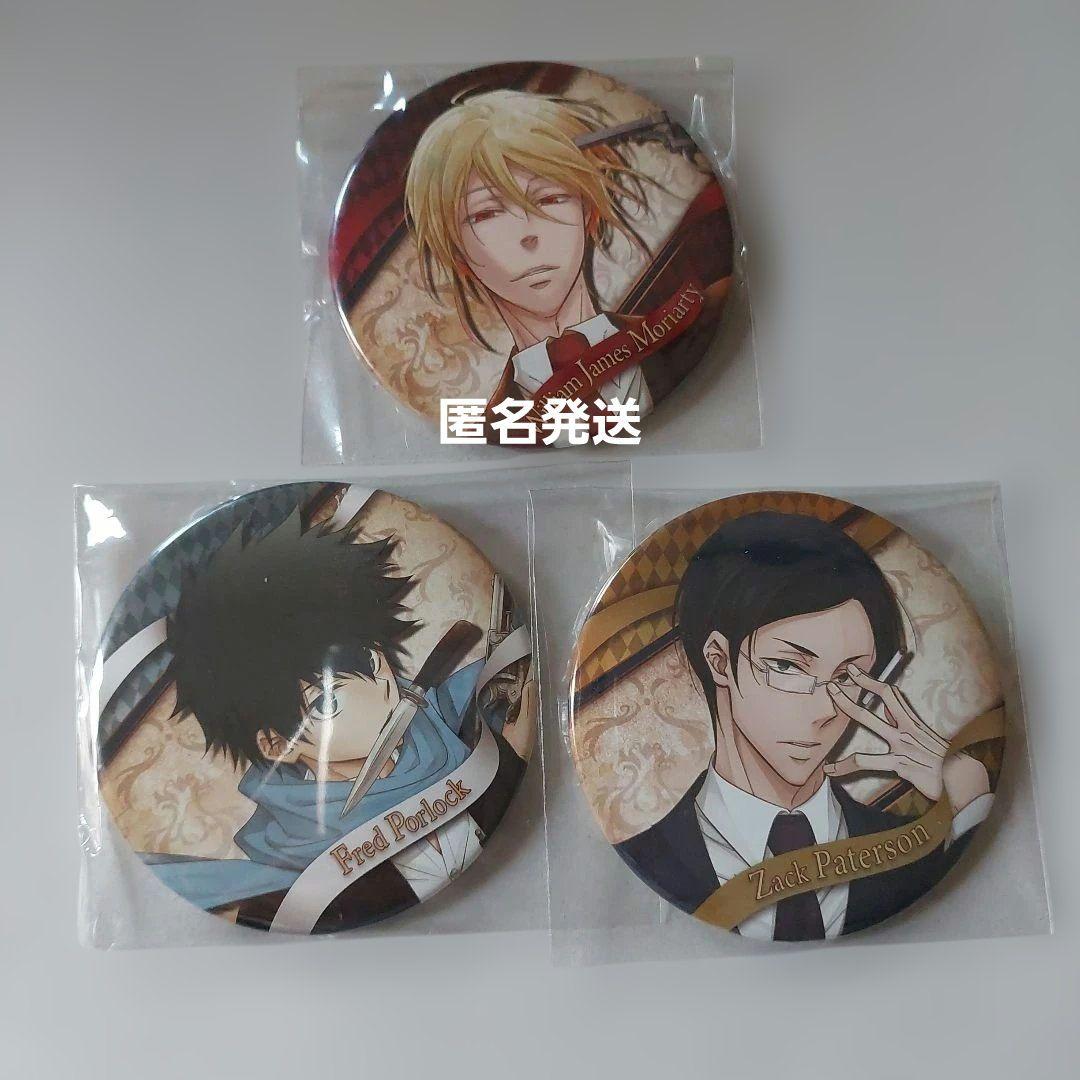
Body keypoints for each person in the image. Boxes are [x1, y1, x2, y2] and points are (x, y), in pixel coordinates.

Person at [143, 510, 529, 932]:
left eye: (368, 658)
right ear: (277, 744)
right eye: (326, 701)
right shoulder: (289, 851)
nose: (378, 681)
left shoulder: (459, 712)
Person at [616, 511, 993, 940]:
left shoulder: (914, 849)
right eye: (787, 666)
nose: (824, 709)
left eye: (849, 676)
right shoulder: (650, 858)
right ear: (720, 660)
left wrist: (969, 791)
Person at [404, 88, 655, 429]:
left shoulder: (680, 334)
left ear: (588, 210)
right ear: (454, 248)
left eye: (549, 198)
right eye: (486, 213)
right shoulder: (492, 429)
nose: (527, 233)